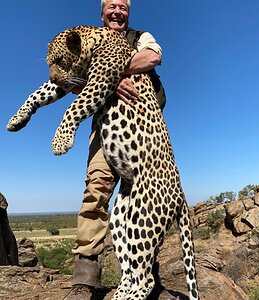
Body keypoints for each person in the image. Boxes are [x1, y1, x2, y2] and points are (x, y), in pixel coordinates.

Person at [64, 0, 173, 299]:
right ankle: (85, 278)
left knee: (147, 201)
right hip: (105, 131)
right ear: (101, 13)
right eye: (111, 6)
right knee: (96, 192)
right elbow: (72, 80)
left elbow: (152, 57)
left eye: (122, 7)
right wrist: (110, 84)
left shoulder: (141, 37)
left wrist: (109, 72)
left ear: (128, 13)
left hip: (145, 133)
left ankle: (147, 279)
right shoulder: (86, 41)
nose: (117, 11)